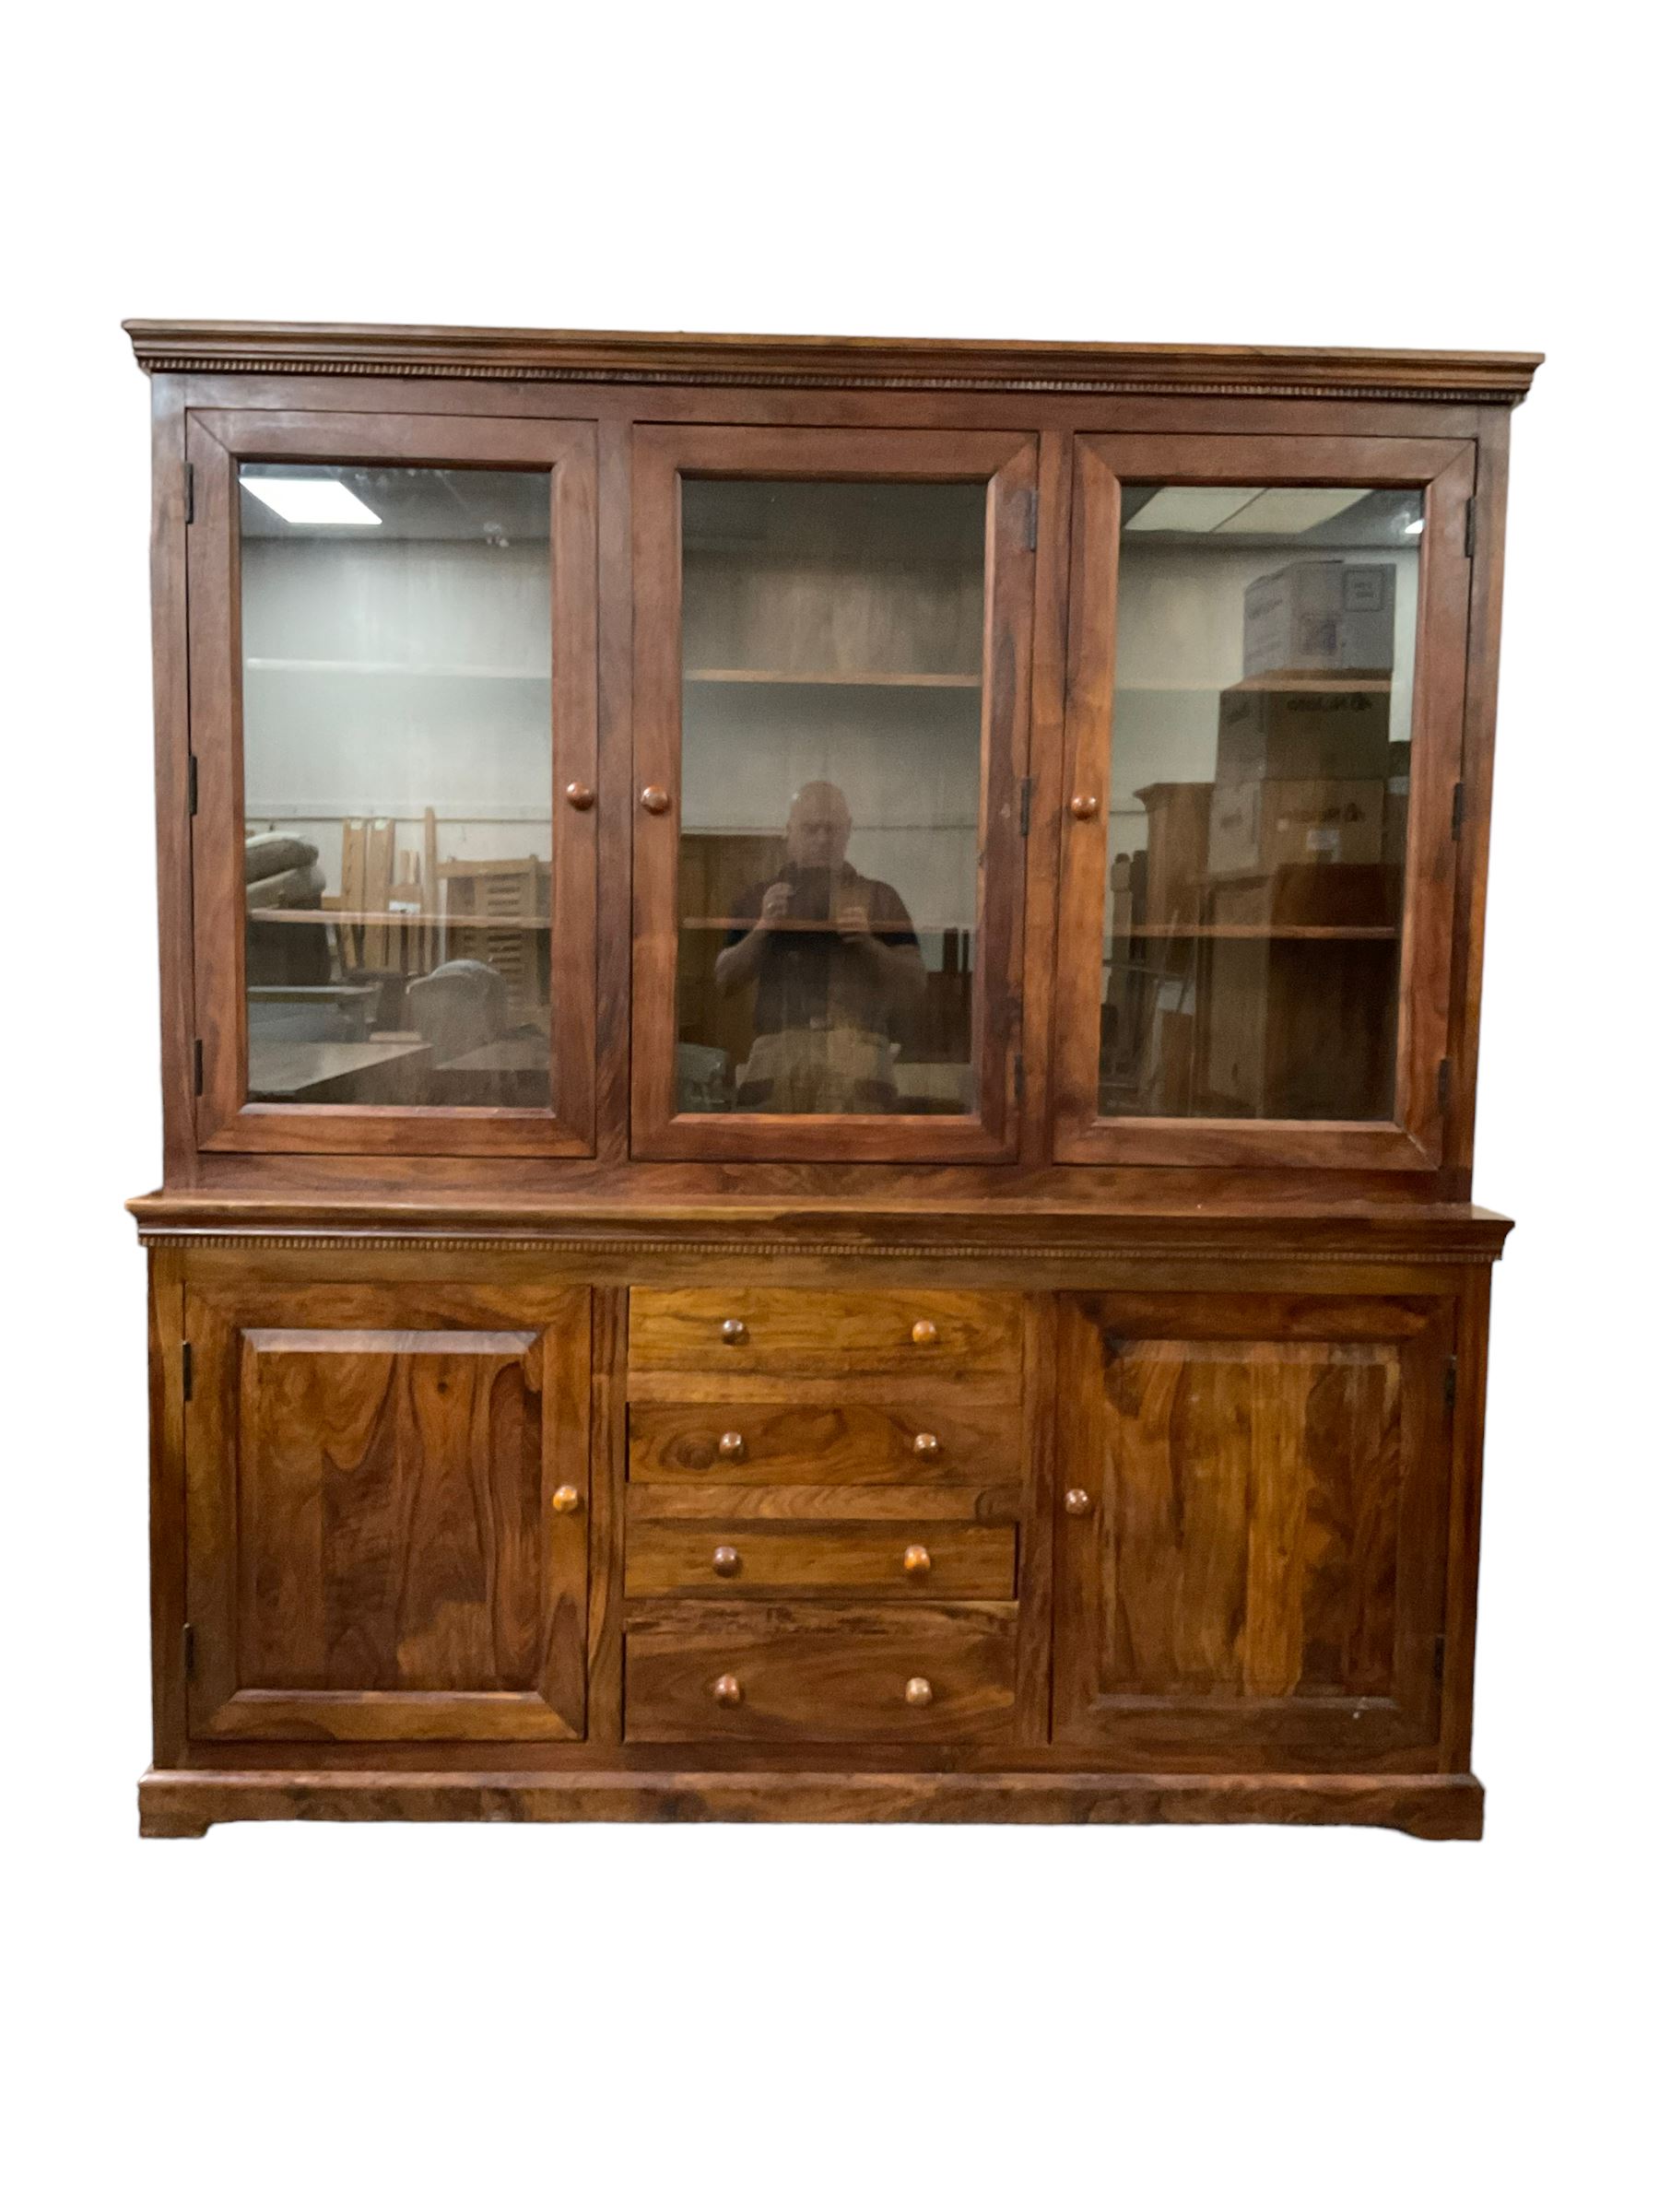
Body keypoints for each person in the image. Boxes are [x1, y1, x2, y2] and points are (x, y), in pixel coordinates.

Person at [714, 781, 924, 1112]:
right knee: (766, 1160)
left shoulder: (881, 898)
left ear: (848, 831)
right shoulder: (759, 898)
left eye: (832, 829)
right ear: (789, 831)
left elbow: (916, 983)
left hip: (861, 1050)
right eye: (811, 829)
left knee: (868, 1159)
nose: (822, 839)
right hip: (778, 1051)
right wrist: (764, 927)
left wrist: (868, 943)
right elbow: (724, 979)